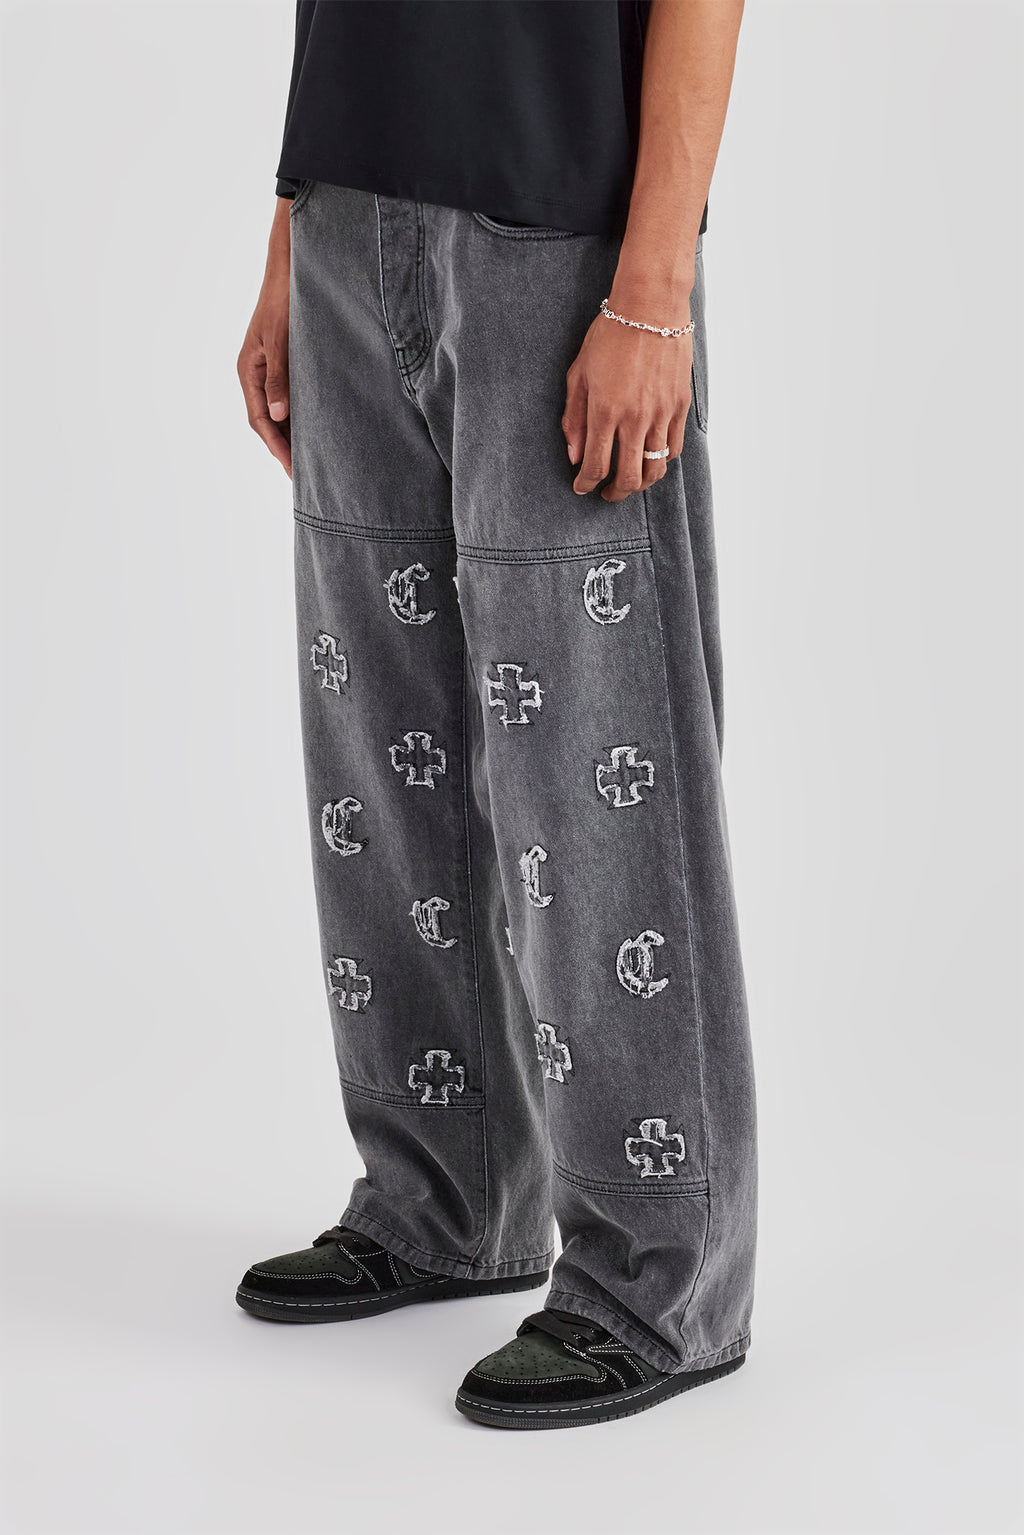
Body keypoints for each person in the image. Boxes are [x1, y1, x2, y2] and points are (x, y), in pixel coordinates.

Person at [235, 0, 756, 1431]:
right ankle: (444, 1197)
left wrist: (655, 286)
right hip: (352, 213)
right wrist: (291, 231)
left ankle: (662, 1278)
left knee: (596, 761)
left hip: (556, 228)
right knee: (378, 750)